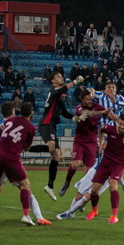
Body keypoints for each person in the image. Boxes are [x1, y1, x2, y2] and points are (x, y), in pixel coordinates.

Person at [0, 102, 39, 226]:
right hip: (11, 157)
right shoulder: (31, 127)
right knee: (25, 185)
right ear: (31, 113)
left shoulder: (9, 121)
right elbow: (27, 146)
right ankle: (26, 215)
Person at [33, 72, 84, 201]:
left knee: (55, 155)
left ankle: (50, 186)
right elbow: (62, 88)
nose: (61, 77)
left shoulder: (60, 95)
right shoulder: (54, 90)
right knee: (51, 147)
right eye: (58, 76)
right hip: (46, 123)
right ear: (53, 81)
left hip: (52, 125)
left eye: (62, 76)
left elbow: (63, 111)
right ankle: (25, 147)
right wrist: (75, 81)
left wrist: (74, 118)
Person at [83, 113, 124, 224]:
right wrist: (100, 143)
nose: (122, 126)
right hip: (105, 163)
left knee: (112, 186)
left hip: (118, 164)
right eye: (120, 124)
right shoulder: (109, 129)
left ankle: (114, 216)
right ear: (117, 122)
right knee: (94, 190)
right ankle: (94, 211)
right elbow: (101, 130)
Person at [59, 90, 111, 197]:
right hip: (80, 141)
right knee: (75, 164)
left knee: (88, 172)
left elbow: (108, 113)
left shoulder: (97, 106)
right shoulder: (79, 108)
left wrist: (115, 117)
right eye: (87, 99)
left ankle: (81, 196)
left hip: (92, 142)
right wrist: (102, 112)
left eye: (90, 98)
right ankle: (67, 183)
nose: (89, 101)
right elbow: (87, 114)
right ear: (82, 100)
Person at [90, 81, 124, 199]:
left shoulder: (119, 98)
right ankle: (123, 187)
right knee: (113, 162)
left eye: (113, 87)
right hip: (105, 132)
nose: (111, 89)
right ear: (105, 89)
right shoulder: (100, 96)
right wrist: (91, 90)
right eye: (108, 87)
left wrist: (115, 101)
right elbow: (89, 91)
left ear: (116, 90)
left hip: (119, 131)